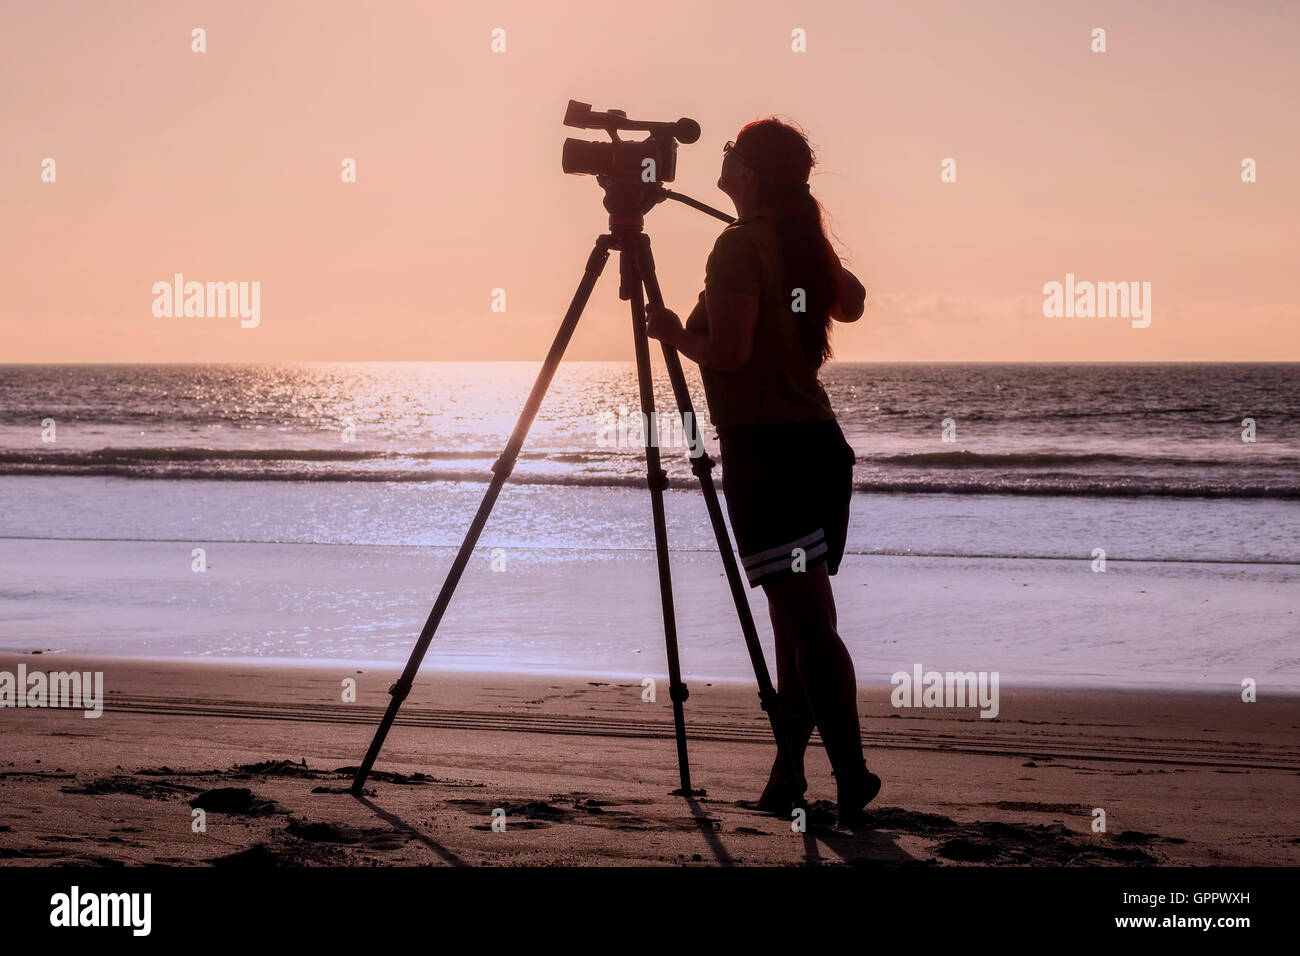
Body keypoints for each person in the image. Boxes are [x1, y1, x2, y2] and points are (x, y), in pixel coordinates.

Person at [645, 117, 880, 828]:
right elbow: (854, 301)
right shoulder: (787, 241)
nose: (719, 159)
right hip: (816, 448)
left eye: (729, 154)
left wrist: (675, 335)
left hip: (768, 454)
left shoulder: (738, 246)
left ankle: (849, 771)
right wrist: (794, 243)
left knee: (807, 627)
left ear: (747, 173)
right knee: (797, 623)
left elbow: (732, 353)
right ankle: (790, 774)